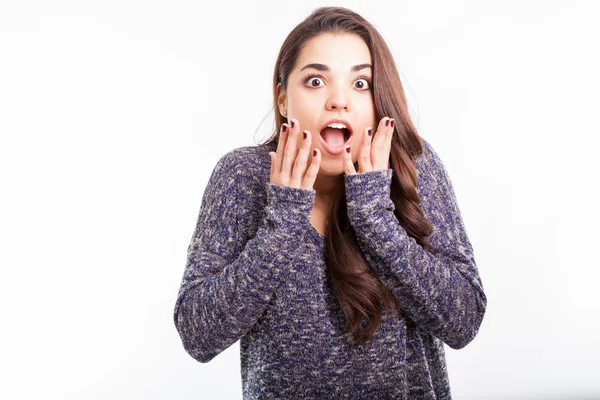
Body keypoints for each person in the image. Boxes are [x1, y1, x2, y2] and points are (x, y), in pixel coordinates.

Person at [173, 6, 487, 399]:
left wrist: (375, 214)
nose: (339, 101)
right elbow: (198, 335)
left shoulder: (412, 164)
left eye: (361, 84)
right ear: (283, 98)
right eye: (316, 80)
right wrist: (283, 218)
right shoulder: (244, 175)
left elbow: (464, 321)